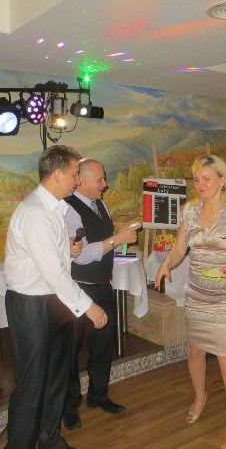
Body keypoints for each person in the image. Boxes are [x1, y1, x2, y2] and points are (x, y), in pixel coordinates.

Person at [4, 145, 108, 449]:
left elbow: (54, 260)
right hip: (32, 304)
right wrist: (90, 307)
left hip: (54, 301)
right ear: (58, 175)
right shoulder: (35, 212)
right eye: (75, 174)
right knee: (32, 382)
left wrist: (68, 250)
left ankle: (50, 441)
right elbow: (52, 272)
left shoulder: (54, 208)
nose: (78, 180)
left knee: (56, 377)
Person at [155, 154, 226, 449]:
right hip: (197, 293)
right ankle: (200, 397)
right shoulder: (189, 211)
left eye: (207, 179)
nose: (200, 184)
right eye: (197, 179)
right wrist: (166, 264)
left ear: (222, 180)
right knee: (195, 352)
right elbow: (179, 250)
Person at [62, 158, 139, 429]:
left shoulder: (101, 205)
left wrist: (119, 237)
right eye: (100, 180)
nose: (105, 184)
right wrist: (117, 239)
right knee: (70, 352)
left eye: (104, 178)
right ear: (81, 181)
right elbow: (81, 255)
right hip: (77, 289)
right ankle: (69, 406)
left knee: (104, 344)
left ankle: (99, 395)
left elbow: (103, 242)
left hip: (102, 286)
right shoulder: (69, 209)